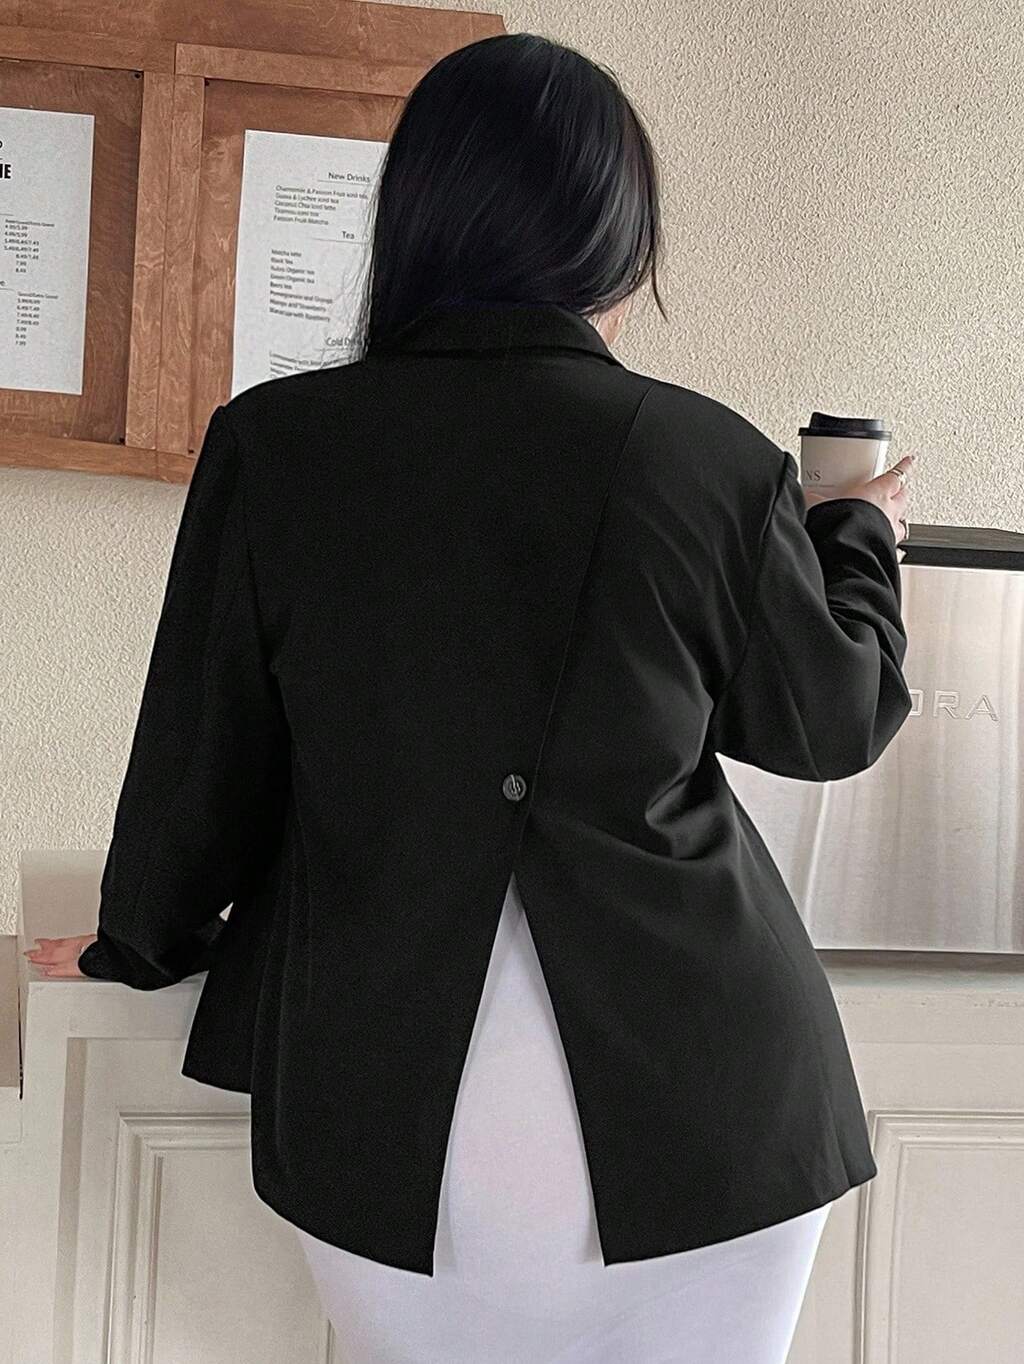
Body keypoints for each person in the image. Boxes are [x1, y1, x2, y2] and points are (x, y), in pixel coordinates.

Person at [27, 31, 914, 1364]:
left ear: (419, 220)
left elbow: (202, 758)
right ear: (620, 245)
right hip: (714, 1100)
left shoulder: (277, 446)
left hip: (379, 1098)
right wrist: (856, 539)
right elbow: (830, 721)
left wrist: (135, 945)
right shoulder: (710, 461)